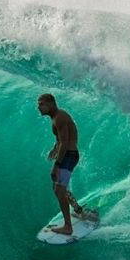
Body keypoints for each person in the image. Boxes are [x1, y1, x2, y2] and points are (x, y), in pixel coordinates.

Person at [37, 93, 97, 235]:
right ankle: (78, 210)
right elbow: (61, 139)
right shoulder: (56, 117)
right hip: (68, 154)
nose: (38, 107)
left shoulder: (60, 117)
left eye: (41, 104)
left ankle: (68, 227)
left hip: (68, 156)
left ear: (51, 103)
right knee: (58, 187)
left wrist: (56, 165)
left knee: (59, 190)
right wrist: (54, 148)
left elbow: (65, 142)